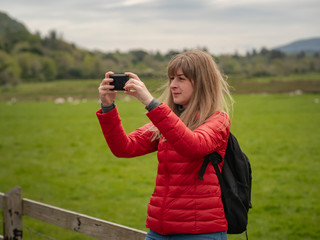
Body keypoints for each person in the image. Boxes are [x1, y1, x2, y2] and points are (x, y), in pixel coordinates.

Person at [96, 49, 233, 240]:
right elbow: (124, 148)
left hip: (200, 232)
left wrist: (151, 103)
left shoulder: (218, 120)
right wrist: (107, 106)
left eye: (181, 78)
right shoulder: (167, 121)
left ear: (202, 82)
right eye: (171, 78)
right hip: (159, 231)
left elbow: (193, 146)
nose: (173, 85)